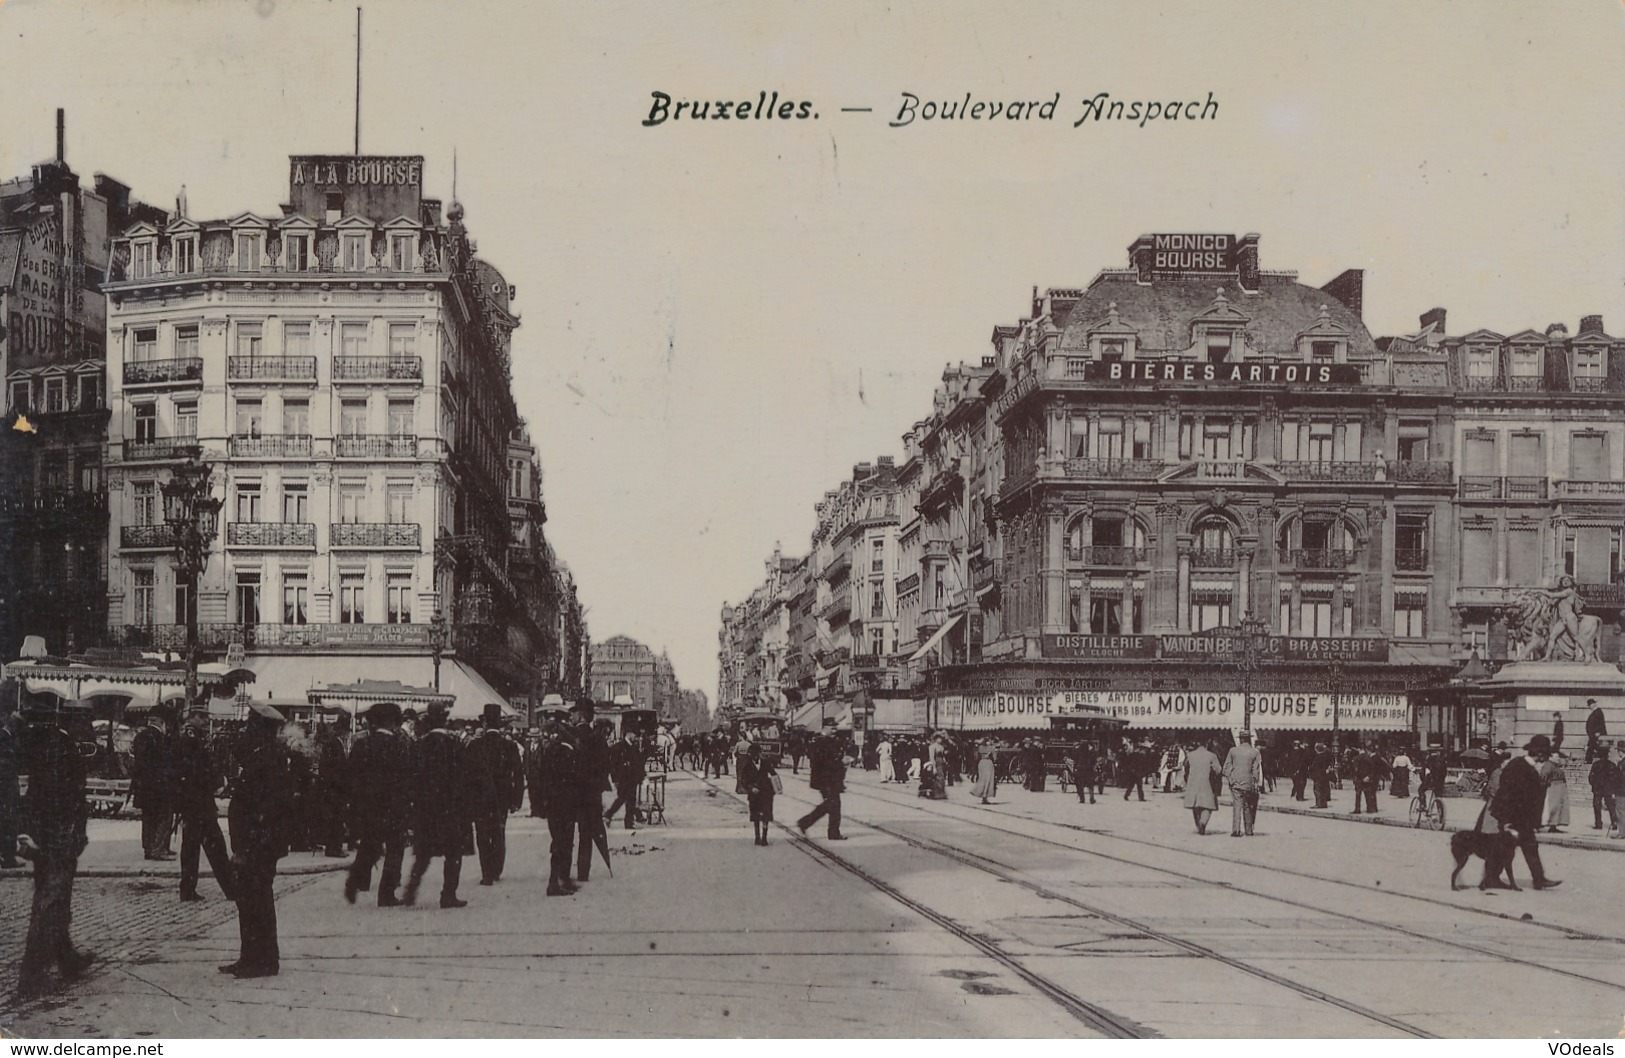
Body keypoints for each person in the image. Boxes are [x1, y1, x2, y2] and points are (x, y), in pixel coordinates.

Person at [13, 699, 94, 999]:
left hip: (49, 838)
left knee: (57, 902)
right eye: (85, 720)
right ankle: (31, 977)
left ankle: (67, 959)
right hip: (58, 839)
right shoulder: (61, 747)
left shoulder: (49, 742)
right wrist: (74, 835)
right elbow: (62, 798)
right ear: (73, 720)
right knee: (50, 904)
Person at [221, 701, 296, 978]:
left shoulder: (268, 758)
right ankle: (250, 956)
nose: (245, 729)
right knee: (249, 898)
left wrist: (248, 846)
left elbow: (267, 808)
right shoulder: (260, 754)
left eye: (250, 725)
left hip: (259, 843)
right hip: (254, 842)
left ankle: (263, 960)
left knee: (258, 898)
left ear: (259, 728)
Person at [402, 703, 471, 908]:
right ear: (445, 720)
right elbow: (462, 778)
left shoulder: (419, 745)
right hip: (449, 809)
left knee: (423, 854)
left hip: (426, 809)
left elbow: (412, 778)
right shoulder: (453, 744)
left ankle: (410, 890)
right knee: (453, 853)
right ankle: (448, 894)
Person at [345, 702, 413, 907]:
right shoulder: (400, 746)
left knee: (369, 845)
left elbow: (351, 777)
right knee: (395, 849)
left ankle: (354, 880)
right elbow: (407, 780)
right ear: (393, 722)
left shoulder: (362, 745)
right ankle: (386, 894)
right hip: (393, 807)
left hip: (368, 807)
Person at [175, 712, 235, 903]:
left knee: (191, 849)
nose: (207, 721)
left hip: (192, 805)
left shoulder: (188, 738)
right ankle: (231, 890)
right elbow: (198, 774)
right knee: (216, 849)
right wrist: (219, 781)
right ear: (194, 717)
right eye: (203, 717)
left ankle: (187, 890)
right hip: (200, 805)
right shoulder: (192, 740)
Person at [1488, 735, 1562, 890]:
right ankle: (1491, 878)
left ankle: (1539, 879)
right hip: (1512, 816)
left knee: (1529, 846)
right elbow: (1508, 793)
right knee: (1506, 848)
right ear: (1540, 754)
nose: (1545, 758)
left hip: (1522, 818)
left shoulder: (1527, 767)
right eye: (1545, 754)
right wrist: (1507, 820)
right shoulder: (1518, 766)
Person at [463, 704, 525, 885]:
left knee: (482, 833)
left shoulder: (474, 746)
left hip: (480, 798)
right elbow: (518, 774)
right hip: (502, 798)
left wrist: (468, 799)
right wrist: (517, 800)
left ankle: (486, 873)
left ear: (484, 723)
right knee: (499, 830)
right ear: (499, 724)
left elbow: (466, 775)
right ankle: (496, 868)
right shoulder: (509, 746)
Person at [538, 717, 580, 895]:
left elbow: (542, 779)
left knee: (558, 841)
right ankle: (558, 881)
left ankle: (559, 880)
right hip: (565, 804)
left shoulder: (547, 751)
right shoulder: (566, 751)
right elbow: (572, 780)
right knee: (564, 842)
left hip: (552, 804)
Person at [131, 705, 177, 860]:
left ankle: (149, 848)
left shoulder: (140, 737)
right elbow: (164, 764)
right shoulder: (160, 739)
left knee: (148, 818)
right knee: (163, 817)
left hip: (143, 786)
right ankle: (158, 849)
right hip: (159, 787)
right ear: (161, 722)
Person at [572, 706, 613, 883]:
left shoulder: (571, 735)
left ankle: (563, 872)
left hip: (572, 792)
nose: (571, 716)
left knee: (564, 834)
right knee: (586, 833)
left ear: (580, 715)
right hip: (592, 794)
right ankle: (583, 872)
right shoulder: (599, 740)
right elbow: (605, 766)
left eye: (573, 713)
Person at [795, 718, 847, 840]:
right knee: (833, 804)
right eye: (832, 728)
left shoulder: (828, 740)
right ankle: (808, 823)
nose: (835, 730)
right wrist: (841, 763)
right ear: (825, 728)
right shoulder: (821, 741)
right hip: (825, 779)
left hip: (830, 779)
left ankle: (828, 831)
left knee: (831, 805)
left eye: (835, 728)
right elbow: (823, 762)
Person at [312, 713, 350, 858]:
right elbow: (329, 767)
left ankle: (335, 847)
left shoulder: (338, 743)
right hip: (334, 789)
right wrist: (339, 783)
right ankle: (333, 849)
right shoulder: (333, 744)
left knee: (337, 819)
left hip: (335, 788)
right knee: (335, 819)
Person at [604, 728, 647, 831]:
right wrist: (615, 780)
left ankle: (627, 821)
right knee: (623, 798)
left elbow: (637, 763)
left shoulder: (633, 746)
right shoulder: (618, 747)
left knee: (629, 799)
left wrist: (641, 775)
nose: (636, 737)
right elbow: (613, 765)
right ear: (629, 734)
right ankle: (610, 816)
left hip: (632, 778)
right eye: (634, 735)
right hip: (623, 779)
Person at [1224, 730, 1264, 836]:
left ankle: (1236, 830)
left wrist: (1230, 779)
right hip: (1248, 783)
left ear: (1240, 739)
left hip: (1235, 782)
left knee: (1237, 805)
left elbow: (1226, 767)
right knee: (1247, 806)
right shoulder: (1255, 752)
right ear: (1249, 739)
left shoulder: (1233, 751)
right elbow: (1256, 770)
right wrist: (1255, 782)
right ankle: (1249, 830)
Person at [1, 691, 24, 870]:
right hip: (6, 787)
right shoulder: (4, 738)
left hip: (8, 785)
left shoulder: (8, 737)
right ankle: (8, 857)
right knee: (8, 820)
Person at [738, 741, 778, 846]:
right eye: (752, 754)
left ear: (759, 754)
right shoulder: (747, 764)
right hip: (754, 793)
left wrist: (777, 788)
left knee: (766, 815)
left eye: (756, 754)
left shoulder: (765, 762)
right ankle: (757, 837)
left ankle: (764, 838)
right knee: (756, 816)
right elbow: (743, 780)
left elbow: (773, 774)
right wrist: (750, 788)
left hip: (766, 792)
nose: (754, 757)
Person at [1183, 739, 1222, 835]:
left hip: (1192, 783)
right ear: (1207, 744)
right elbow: (1218, 770)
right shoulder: (1211, 756)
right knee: (1208, 806)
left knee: (1195, 805)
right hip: (1207, 783)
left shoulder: (1190, 755)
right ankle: (1203, 822)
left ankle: (1198, 825)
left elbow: (1185, 767)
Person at [1536, 745, 1569, 833]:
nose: (1558, 759)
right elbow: (1543, 776)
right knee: (1553, 806)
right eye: (1556, 757)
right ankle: (1551, 825)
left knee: (1559, 806)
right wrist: (1546, 784)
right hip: (1553, 788)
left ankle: (1554, 826)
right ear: (1551, 757)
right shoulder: (1548, 765)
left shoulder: (1555, 765)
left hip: (1560, 788)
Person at [1589, 746, 1621, 833]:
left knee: (1597, 806)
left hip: (1597, 789)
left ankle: (1598, 823)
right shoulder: (1612, 765)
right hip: (1608, 788)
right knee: (1611, 806)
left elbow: (1591, 777)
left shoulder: (1596, 765)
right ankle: (1614, 823)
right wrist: (1613, 788)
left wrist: (1594, 785)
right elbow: (1615, 778)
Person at [1069, 741, 1096, 805]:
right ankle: (1091, 798)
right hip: (1089, 770)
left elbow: (1075, 760)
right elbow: (1093, 761)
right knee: (1090, 785)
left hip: (1080, 770)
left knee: (1080, 784)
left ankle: (1082, 799)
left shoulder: (1078, 752)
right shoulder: (1090, 753)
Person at [1309, 742, 1334, 808]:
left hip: (1318, 776)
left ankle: (1319, 804)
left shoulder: (1318, 758)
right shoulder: (1326, 756)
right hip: (1324, 776)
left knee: (1317, 790)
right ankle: (1324, 803)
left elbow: (1314, 767)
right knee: (1324, 790)